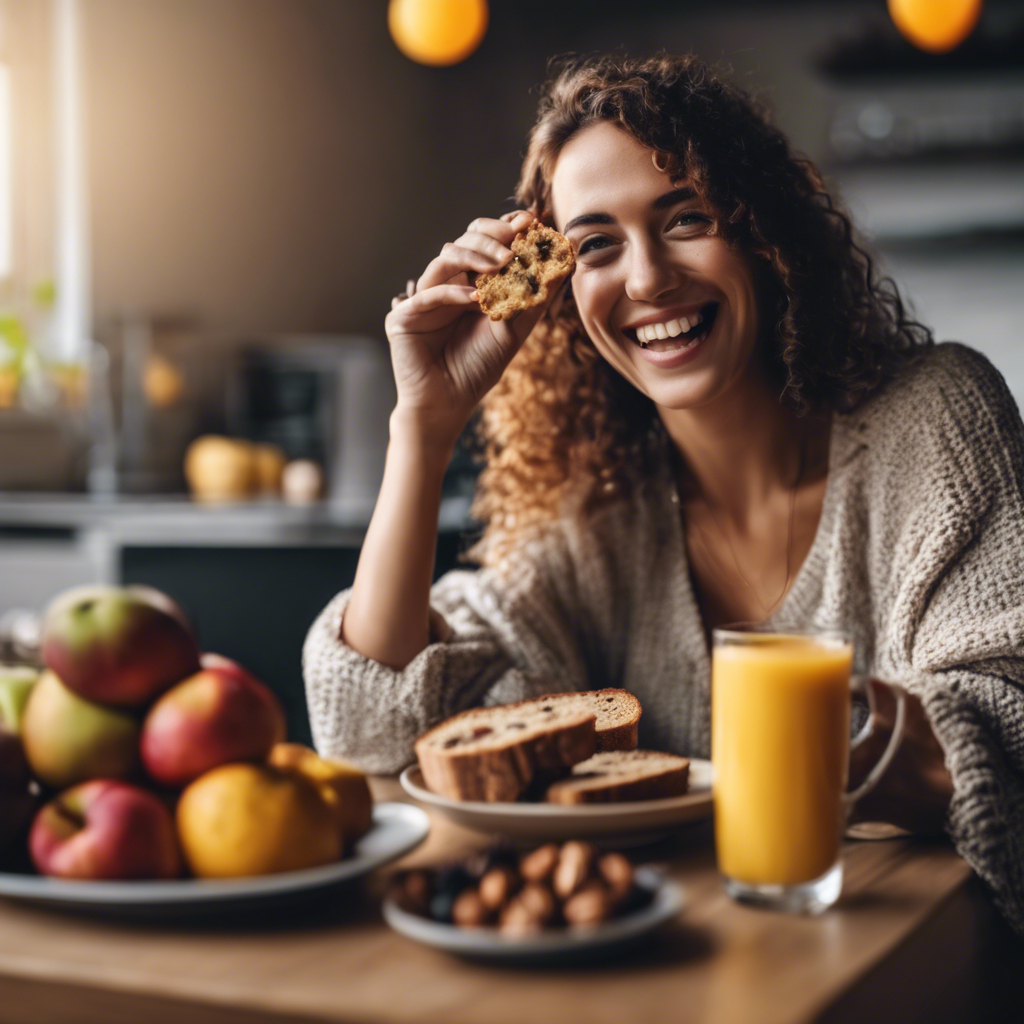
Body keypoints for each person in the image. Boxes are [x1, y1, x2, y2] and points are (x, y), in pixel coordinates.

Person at [304, 54, 1024, 932]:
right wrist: (421, 428)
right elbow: (371, 725)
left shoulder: (934, 418)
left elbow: (1004, 727)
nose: (647, 279)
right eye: (596, 244)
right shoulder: (592, 504)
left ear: (765, 235)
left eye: (686, 218)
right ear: (561, 290)